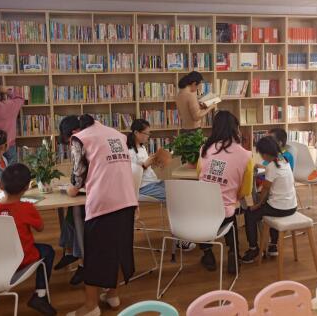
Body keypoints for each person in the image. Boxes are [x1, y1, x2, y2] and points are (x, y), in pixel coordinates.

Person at [65, 116, 137, 316]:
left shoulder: (80, 138)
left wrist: (71, 189)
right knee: (119, 250)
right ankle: (113, 295)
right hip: (127, 199)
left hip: (103, 203)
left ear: (73, 132)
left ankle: (91, 306)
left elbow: (77, 177)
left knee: (94, 255)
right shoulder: (118, 135)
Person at [0, 163, 56, 315]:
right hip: (22, 260)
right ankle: (40, 295)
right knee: (48, 251)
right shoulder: (27, 208)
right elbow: (40, 228)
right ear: (26, 187)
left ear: (0, 184)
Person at [197, 110, 254, 274]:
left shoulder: (204, 149)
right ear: (236, 129)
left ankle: (208, 254)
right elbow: (246, 190)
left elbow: (199, 175)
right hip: (225, 213)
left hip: (201, 212)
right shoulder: (246, 155)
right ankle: (233, 253)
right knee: (229, 213)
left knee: (210, 213)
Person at [127, 119, 195, 251]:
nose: (148, 136)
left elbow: (145, 169)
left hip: (154, 182)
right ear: (136, 132)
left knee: (180, 191)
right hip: (143, 187)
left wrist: (155, 161)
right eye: (146, 133)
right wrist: (145, 165)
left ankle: (186, 232)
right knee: (176, 199)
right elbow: (131, 176)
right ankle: (180, 239)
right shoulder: (129, 152)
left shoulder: (142, 147)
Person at [242, 136, 298, 262]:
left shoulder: (272, 167)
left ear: (266, 154)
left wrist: (257, 205)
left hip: (279, 208)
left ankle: (253, 249)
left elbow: (265, 190)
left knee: (250, 214)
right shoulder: (284, 160)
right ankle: (273, 245)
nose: (262, 157)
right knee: (271, 205)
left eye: (261, 154)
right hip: (292, 206)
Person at [54, 114, 93, 286]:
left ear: (74, 132)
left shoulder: (80, 139)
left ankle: (82, 261)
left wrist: (75, 187)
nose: (70, 144)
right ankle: (70, 252)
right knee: (72, 211)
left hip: (94, 192)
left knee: (78, 216)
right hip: (90, 187)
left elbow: (81, 169)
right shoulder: (89, 136)